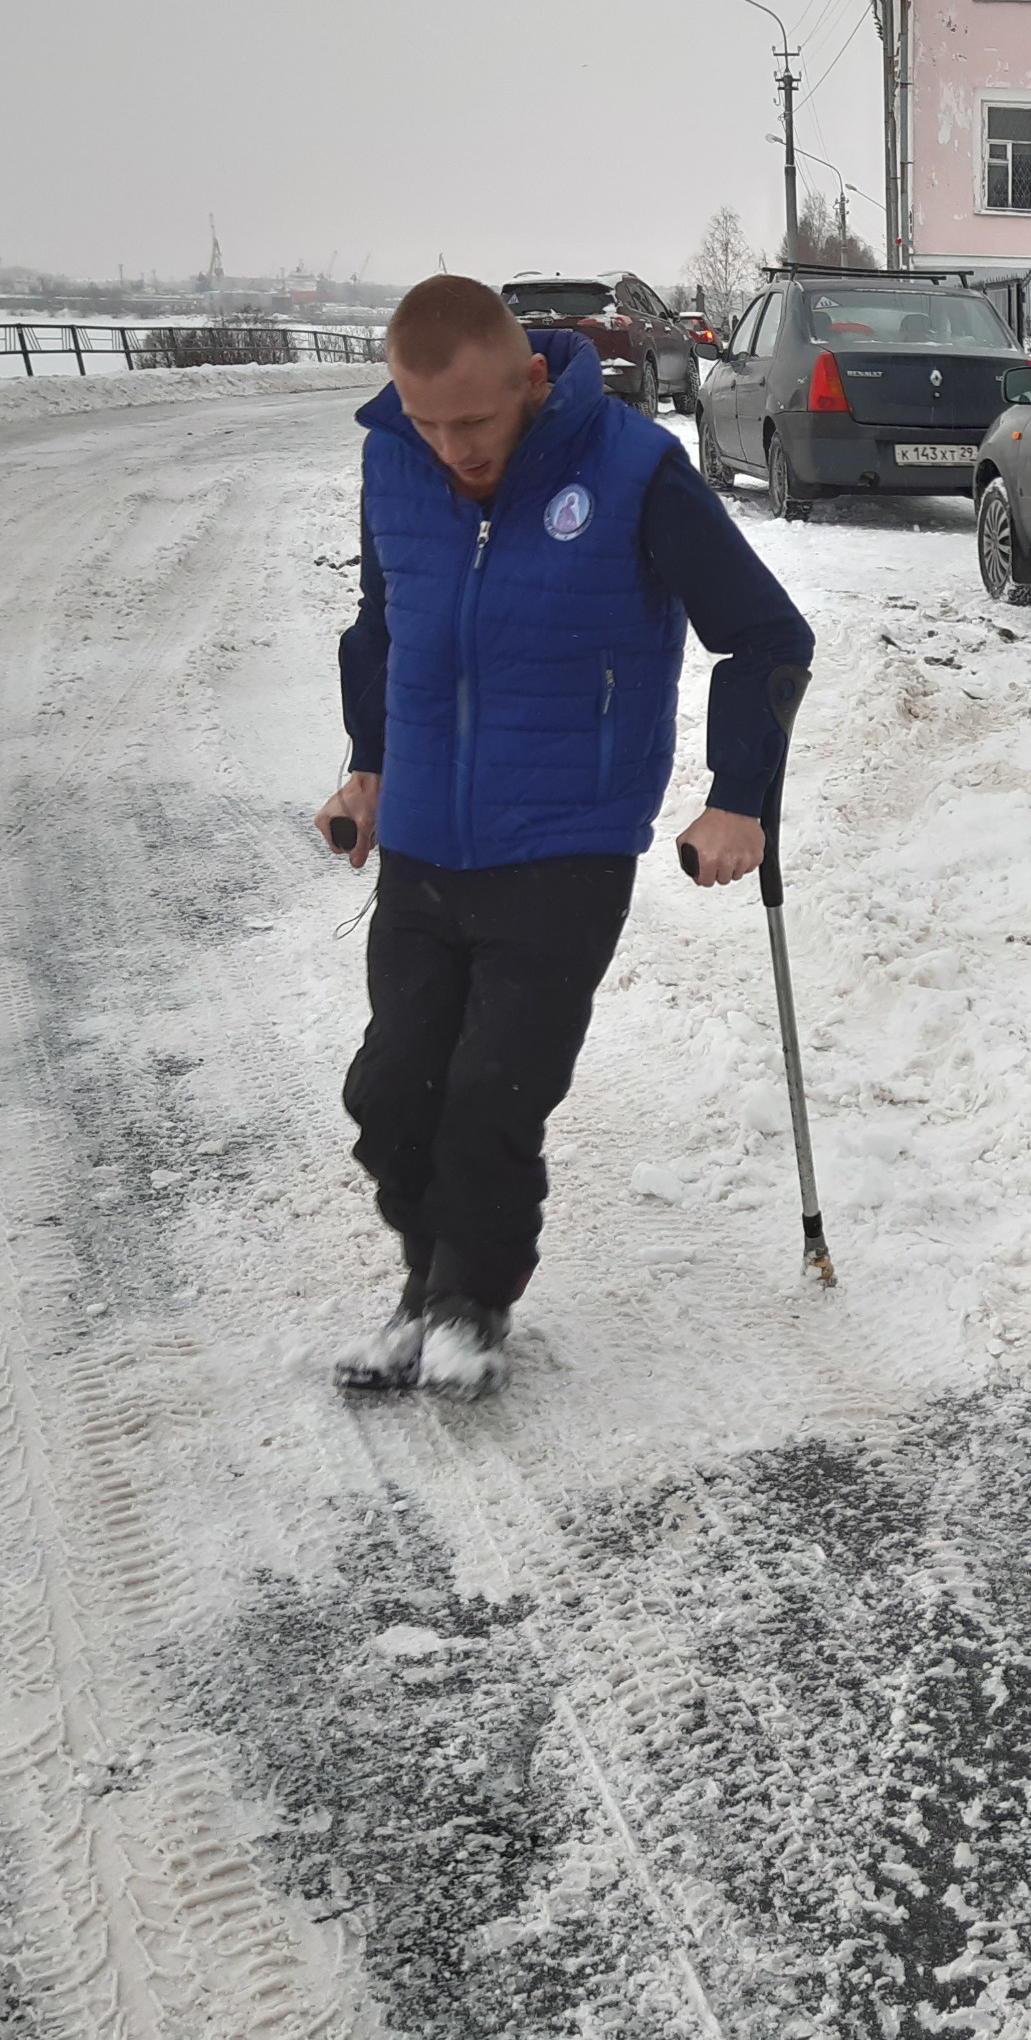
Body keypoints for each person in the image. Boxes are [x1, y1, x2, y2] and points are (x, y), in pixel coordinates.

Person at [316, 274, 812, 1398]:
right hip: (426, 848)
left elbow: (767, 635)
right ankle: (427, 1279)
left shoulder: (633, 472)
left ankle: (470, 1303)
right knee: (392, 1094)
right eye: (428, 423)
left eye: (475, 423)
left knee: (494, 1091)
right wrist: (367, 772)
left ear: (532, 380)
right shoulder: (393, 459)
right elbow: (386, 628)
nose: (452, 450)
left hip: (565, 846)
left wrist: (741, 795)